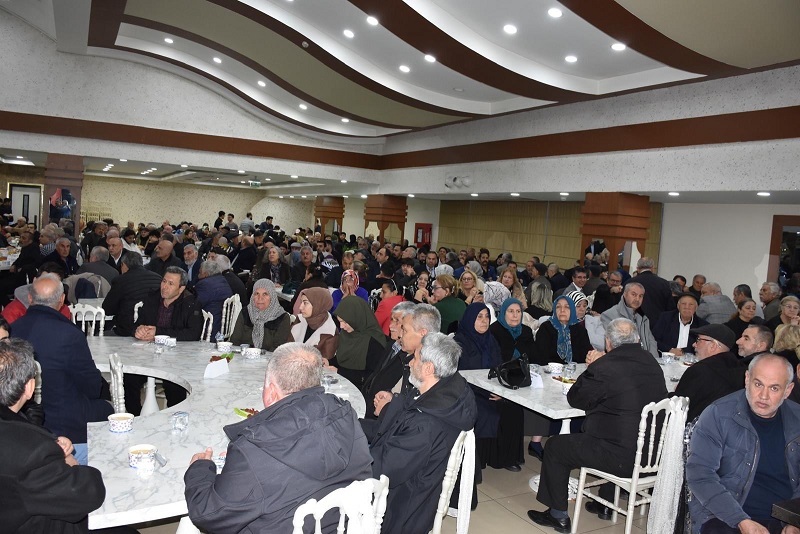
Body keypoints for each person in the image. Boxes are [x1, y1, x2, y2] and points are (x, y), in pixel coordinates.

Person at [184, 342, 372, 533]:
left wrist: (200, 469)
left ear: (271, 392)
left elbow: (207, 514)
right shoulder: (346, 414)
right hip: (346, 525)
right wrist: (240, 468)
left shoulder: (254, 449)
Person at [528, 318, 668, 532]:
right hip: (652, 455)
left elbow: (576, 398)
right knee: (621, 431)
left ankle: (558, 516)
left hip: (622, 459)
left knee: (556, 446)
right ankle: (605, 504)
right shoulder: (651, 361)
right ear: (637, 340)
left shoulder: (605, 366)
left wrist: (593, 366)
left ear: (608, 342)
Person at [362, 332, 477, 534]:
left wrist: (347, 454)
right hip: (413, 487)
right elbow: (399, 423)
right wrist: (351, 426)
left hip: (402, 509)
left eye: (415, 358)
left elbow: (382, 468)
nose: (409, 363)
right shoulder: (442, 392)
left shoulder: (426, 424)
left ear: (428, 368)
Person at [0, 338, 106, 534]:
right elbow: (87, 495)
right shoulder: (32, 452)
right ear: (30, 387)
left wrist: (50, 444)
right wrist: (69, 463)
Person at [687, 354, 800, 534]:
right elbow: (700, 474)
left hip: (784, 518)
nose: (763, 395)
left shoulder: (797, 419)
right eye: (758, 384)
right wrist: (740, 520)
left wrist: (795, 520)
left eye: (774, 388)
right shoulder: (718, 414)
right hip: (725, 514)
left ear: (788, 390)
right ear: (747, 379)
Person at [12, 274, 114, 462]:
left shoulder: (12, 330)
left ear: (30, 298)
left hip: (22, 420)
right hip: (66, 425)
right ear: (62, 300)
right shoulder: (69, 334)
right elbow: (91, 388)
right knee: (108, 407)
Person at [486, 298, 531, 471]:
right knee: (509, 407)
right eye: (510, 311)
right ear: (503, 313)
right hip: (498, 381)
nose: (515, 315)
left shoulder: (525, 331)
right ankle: (504, 458)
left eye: (518, 311)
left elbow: (534, 357)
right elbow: (491, 363)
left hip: (521, 381)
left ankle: (514, 455)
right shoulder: (494, 331)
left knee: (517, 405)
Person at [674, 323, 744, 422]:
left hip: (697, 427)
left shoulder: (700, 370)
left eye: (698, 340)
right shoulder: (741, 369)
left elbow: (676, 403)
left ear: (713, 346)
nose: (694, 344)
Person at [362, 301, 416, 419]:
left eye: (397, 321)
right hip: (368, 404)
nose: (390, 326)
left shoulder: (410, 358)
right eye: (391, 320)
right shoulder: (391, 345)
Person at [331, 296, 387, 388]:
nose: (341, 326)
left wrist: (339, 372)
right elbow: (342, 359)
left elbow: (370, 377)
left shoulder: (374, 342)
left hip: (361, 390)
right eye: (340, 321)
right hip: (342, 384)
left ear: (356, 318)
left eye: (345, 322)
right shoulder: (348, 333)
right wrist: (328, 362)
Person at [102, 252, 162, 336]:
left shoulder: (120, 280)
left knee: (99, 335)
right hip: (153, 328)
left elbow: (107, 309)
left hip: (126, 329)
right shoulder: (158, 278)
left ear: (124, 265)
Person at [600, 282, 659, 358]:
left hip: (645, 361)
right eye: (633, 294)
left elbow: (651, 342)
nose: (637, 299)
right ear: (625, 294)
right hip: (623, 361)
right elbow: (611, 344)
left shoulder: (643, 318)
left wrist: (653, 360)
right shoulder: (609, 315)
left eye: (640, 296)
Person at [230, 279, 290, 351]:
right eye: (257, 294)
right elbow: (235, 341)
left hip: (269, 357)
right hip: (243, 356)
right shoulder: (246, 312)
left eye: (265, 294)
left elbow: (277, 349)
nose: (260, 298)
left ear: (272, 297)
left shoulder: (282, 317)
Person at [535, 295, 591, 366]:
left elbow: (585, 357)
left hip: (577, 369)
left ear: (572, 310)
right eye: (558, 307)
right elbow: (541, 357)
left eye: (567, 307)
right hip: (551, 370)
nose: (562, 310)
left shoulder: (580, 330)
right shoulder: (546, 328)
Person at [289, 288, 339, 362]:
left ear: (318, 305)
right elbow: (286, 349)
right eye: (301, 302)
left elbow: (322, 364)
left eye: (305, 303)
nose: (300, 307)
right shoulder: (300, 320)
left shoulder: (330, 333)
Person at [624, 257, 675, 325]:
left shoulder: (629, 282)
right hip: (657, 323)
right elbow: (670, 307)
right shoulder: (664, 283)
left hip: (633, 322)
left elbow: (623, 304)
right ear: (652, 268)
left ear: (638, 268)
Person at [193, 259, 234, 339]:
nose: (198, 275)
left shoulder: (204, 284)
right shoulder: (223, 280)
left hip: (210, 326)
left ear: (205, 274)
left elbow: (196, 304)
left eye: (200, 272)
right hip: (224, 326)